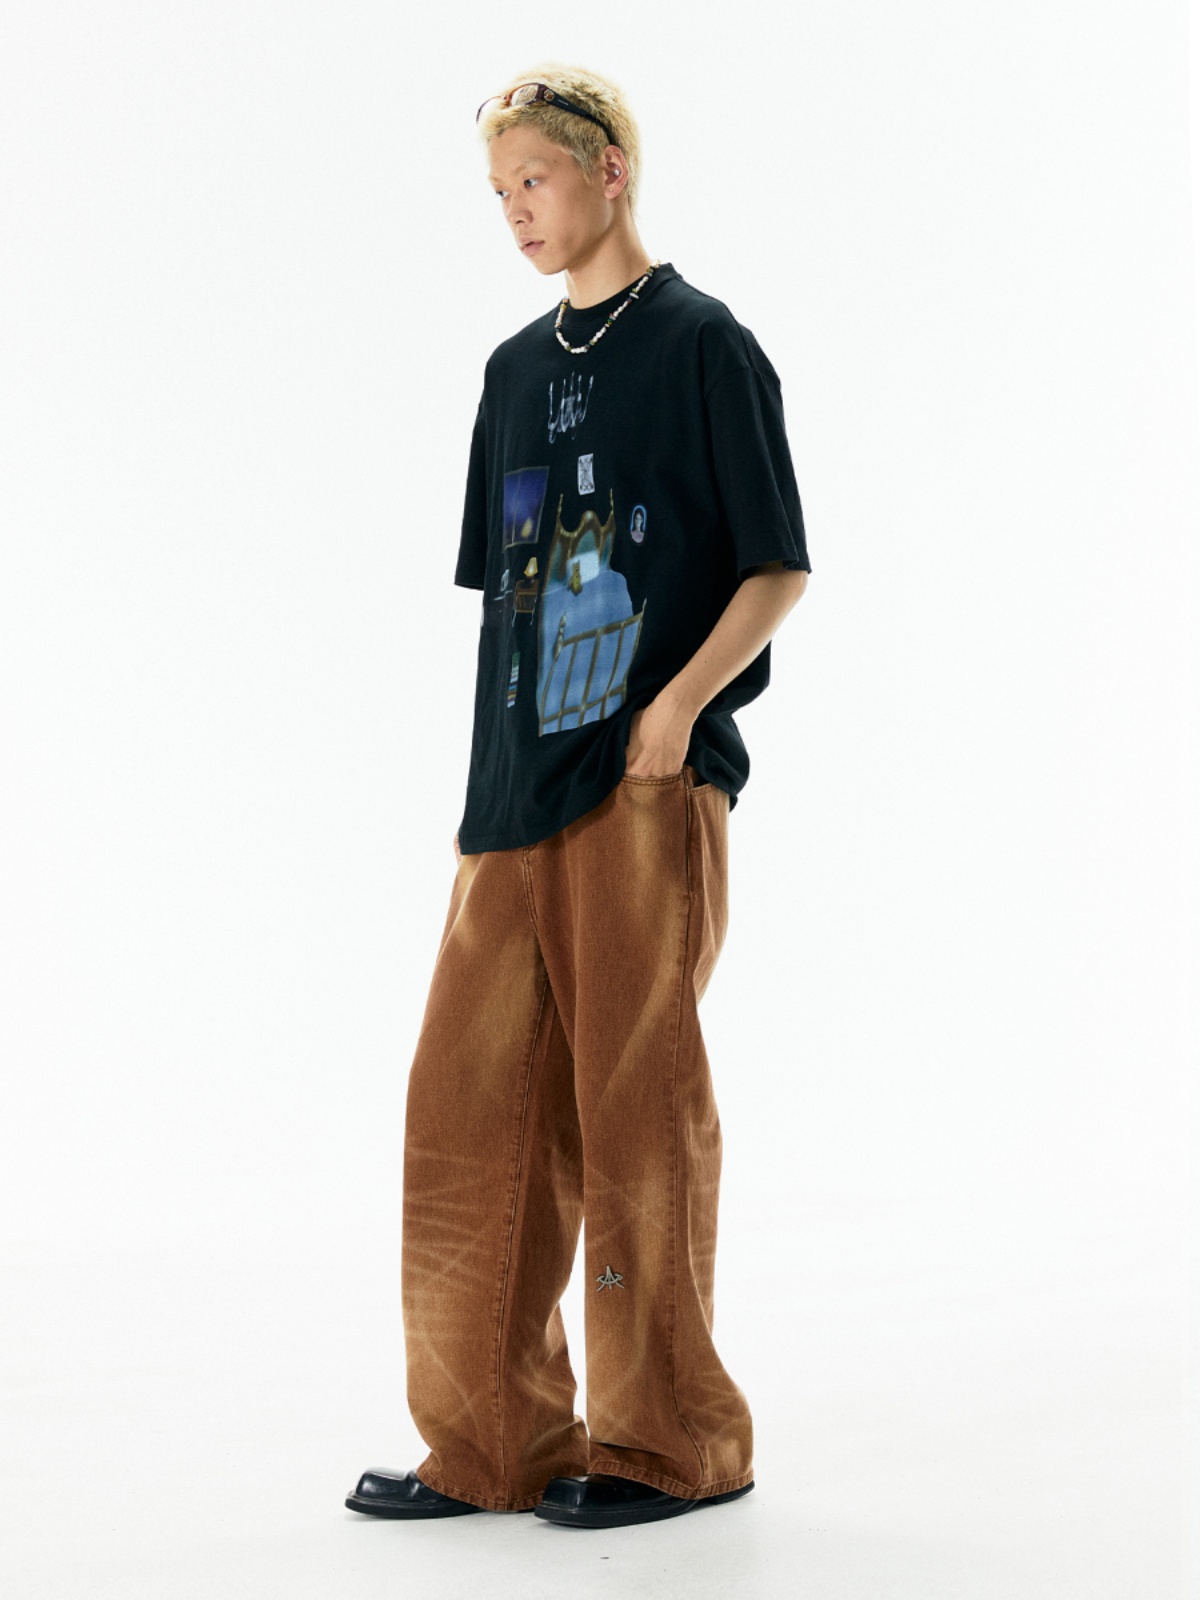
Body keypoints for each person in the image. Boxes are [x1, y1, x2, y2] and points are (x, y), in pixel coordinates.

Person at [346, 61, 811, 1532]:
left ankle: (670, 1444)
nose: (515, 213)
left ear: (610, 170)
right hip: (511, 798)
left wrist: (676, 711)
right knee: (466, 1116)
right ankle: (492, 1442)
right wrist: (488, 789)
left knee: (633, 1112)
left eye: (534, 181)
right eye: (498, 194)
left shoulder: (705, 344)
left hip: (642, 789)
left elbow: (777, 566)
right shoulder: (511, 373)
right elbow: (515, 595)